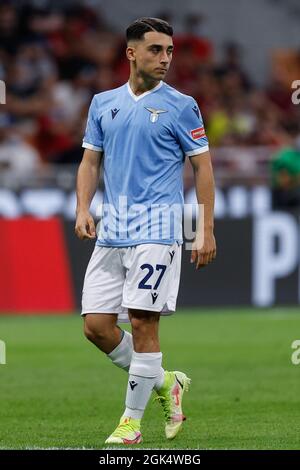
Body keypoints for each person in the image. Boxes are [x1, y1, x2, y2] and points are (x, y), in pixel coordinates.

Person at [75, 17, 216, 445]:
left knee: (142, 323)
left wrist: (204, 227)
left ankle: (130, 425)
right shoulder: (103, 103)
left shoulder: (181, 105)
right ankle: (164, 381)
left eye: (170, 51)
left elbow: (202, 166)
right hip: (111, 230)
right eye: (156, 50)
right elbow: (90, 161)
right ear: (131, 53)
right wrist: (83, 207)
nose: (165, 59)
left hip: (158, 230)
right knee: (96, 326)